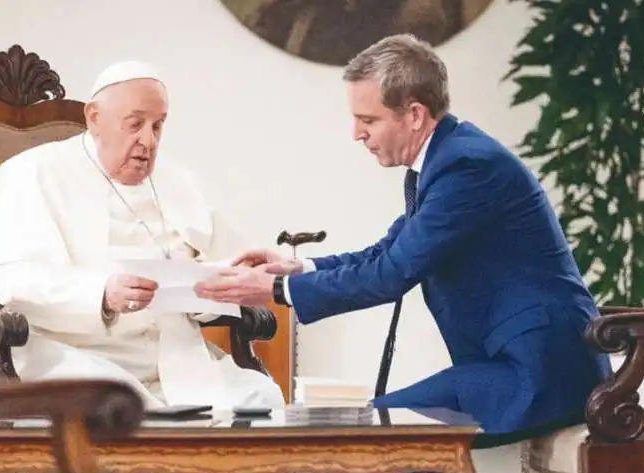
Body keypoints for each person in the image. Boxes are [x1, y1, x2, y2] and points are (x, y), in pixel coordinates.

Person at [194, 34, 612, 444]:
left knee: (366, 436)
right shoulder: (445, 161)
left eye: (368, 120)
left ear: (413, 114)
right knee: (365, 431)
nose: (357, 134)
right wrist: (297, 267)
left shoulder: (467, 167)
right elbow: (387, 251)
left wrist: (276, 289)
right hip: (509, 366)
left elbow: (391, 274)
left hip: (540, 375)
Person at [0, 60, 285, 411]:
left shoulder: (179, 182)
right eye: (135, 124)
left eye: (158, 126)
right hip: (66, 356)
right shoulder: (32, 174)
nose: (149, 140)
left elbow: (216, 272)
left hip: (176, 363)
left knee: (263, 398)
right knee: (111, 408)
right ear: (94, 118)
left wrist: (224, 286)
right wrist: (102, 293)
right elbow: (13, 281)